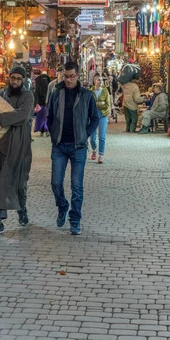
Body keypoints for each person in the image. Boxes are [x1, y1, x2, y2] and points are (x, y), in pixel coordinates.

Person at [47, 61, 100, 235]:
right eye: (65, 76)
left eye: (71, 76)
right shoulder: (56, 93)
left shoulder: (87, 95)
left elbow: (95, 118)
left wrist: (85, 134)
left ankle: (75, 219)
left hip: (78, 147)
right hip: (60, 146)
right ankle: (62, 206)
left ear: (78, 76)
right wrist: (54, 134)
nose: (68, 80)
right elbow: (49, 117)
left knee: (77, 186)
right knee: (56, 183)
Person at [0, 66, 34, 235]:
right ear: (8, 78)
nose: (15, 82)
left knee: (18, 181)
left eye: (18, 79)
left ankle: (21, 208)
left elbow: (23, 115)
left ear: (23, 80)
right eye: (13, 78)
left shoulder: (27, 96)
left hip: (18, 144)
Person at [90, 74, 111, 164]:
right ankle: (94, 150)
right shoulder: (90, 92)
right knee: (92, 137)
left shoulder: (105, 91)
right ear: (94, 81)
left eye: (101, 80)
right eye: (98, 80)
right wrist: (100, 103)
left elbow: (107, 104)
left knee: (102, 136)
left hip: (103, 115)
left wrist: (97, 104)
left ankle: (101, 154)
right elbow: (89, 105)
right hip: (93, 116)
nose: (100, 81)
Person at [33, 70, 51, 135]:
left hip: (41, 104)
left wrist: (36, 103)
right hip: (45, 104)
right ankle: (45, 130)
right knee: (45, 118)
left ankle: (43, 131)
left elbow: (36, 94)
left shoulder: (39, 83)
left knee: (41, 118)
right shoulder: (49, 82)